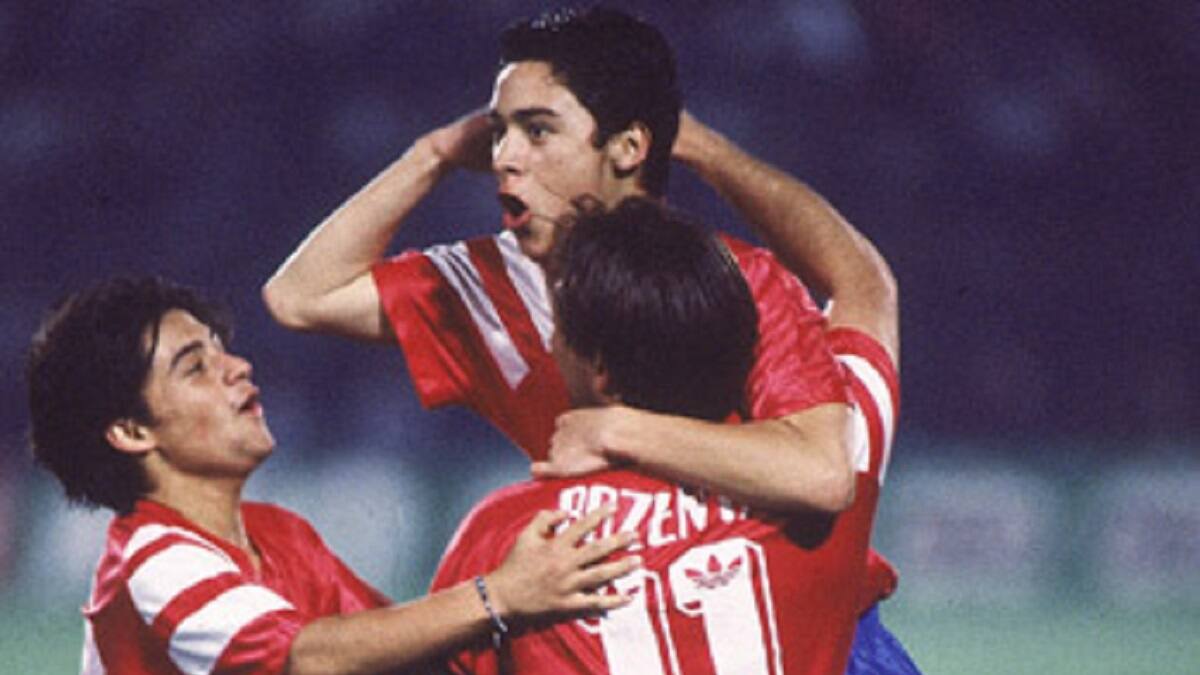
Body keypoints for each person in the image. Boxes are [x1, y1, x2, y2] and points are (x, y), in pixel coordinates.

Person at [263, 7, 914, 671]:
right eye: (497, 133)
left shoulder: (734, 283)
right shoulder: (490, 284)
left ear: (629, 147)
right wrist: (429, 154)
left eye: (538, 131)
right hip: (605, 609)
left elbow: (818, 471)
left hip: (797, 621)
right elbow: (299, 296)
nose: (504, 159)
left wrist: (701, 148)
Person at [26, 276, 640, 675]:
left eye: (222, 349)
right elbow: (305, 659)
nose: (237, 367)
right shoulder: (152, 561)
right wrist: (499, 594)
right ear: (132, 432)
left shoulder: (279, 535)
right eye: (195, 367)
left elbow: (403, 658)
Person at [429, 196, 900, 674]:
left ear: (602, 373)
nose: (550, 342)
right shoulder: (830, 499)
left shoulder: (514, 534)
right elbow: (863, 284)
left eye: (558, 328)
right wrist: (704, 148)